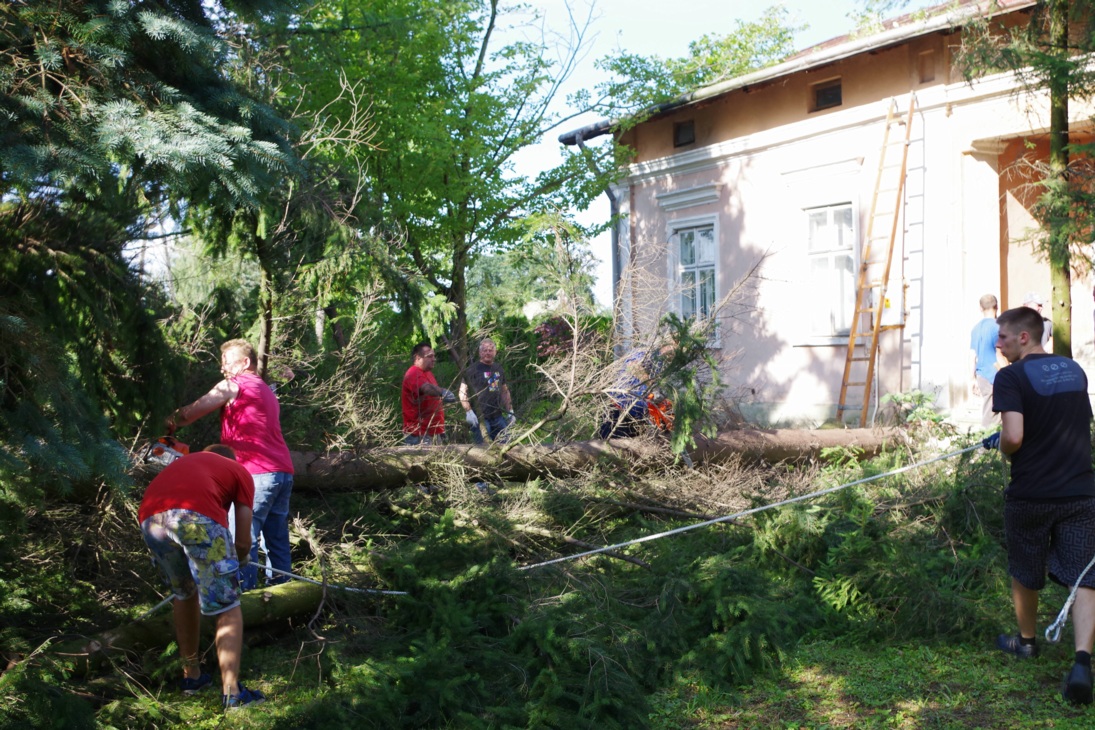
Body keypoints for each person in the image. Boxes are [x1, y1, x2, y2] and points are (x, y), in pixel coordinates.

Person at [985, 306, 1095, 705]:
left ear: (1024, 338)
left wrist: (1004, 442)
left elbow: (1014, 436)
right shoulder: (1074, 370)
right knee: (1085, 575)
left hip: (1032, 493)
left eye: (1003, 338)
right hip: (1080, 491)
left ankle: (1027, 642)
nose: (998, 345)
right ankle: (1083, 660)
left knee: (1024, 569)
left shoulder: (1010, 376)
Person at [139, 444, 266, 709]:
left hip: (150, 518)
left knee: (184, 593)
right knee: (227, 603)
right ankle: (233, 693)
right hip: (194, 516)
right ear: (229, 459)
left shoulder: (185, 464)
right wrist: (238, 561)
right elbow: (244, 542)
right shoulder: (238, 470)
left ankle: (192, 677)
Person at [167, 339, 295, 591]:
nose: (223, 368)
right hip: (282, 472)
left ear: (245, 362)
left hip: (254, 472)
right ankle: (283, 597)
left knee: (242, 540)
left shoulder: (233, 385)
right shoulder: (267, 391)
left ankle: (245, 602)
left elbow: (187, 415)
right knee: (277, 542)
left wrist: (167, 420)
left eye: (227, 362)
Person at [458, 338, 515, 445]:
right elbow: (462, 391)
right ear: (480, 352)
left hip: (497, 416)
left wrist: (510, 411)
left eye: (490, 350)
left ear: (495, 352)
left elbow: (504, 391)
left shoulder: (498, 368)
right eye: (485, 350)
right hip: (481, 418)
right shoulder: (472, 369)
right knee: (483, 450)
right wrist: (468, 411)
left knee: (506, 445)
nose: (488, 352)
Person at [402, 342, 456, 444]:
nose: (434, 359)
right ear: (418, 358)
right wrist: (443, 392)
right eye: (430, 356)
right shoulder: (413, 372)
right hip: (418, 434)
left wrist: (440, 428)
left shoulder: (428, 373)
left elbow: (432, 400)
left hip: (433, 432)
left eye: (434, 356)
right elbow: (426, 388)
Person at [969, 294, 1001, 428]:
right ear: (997, 307)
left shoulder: (976, 328)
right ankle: (984, 446)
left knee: (990, 409)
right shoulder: (999, 327)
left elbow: (972, 355)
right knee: (994, 414)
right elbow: (1000, 352)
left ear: (981, 308)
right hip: (997, 373)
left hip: (982, 375)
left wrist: (972, 378)